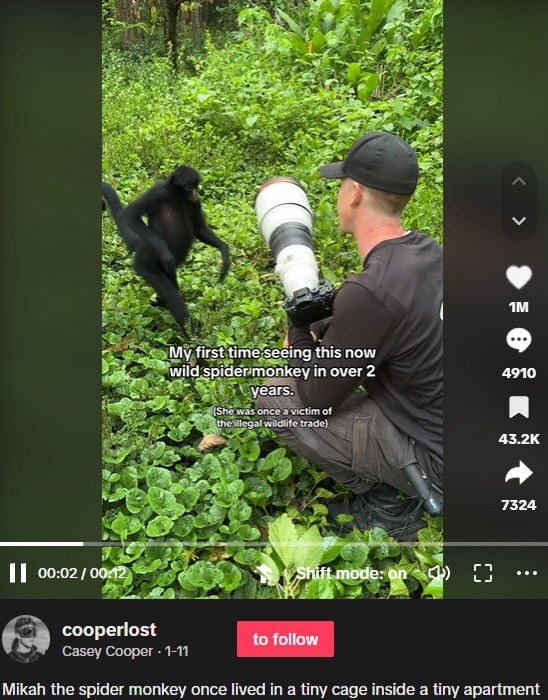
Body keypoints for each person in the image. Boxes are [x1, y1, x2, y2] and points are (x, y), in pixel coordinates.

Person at [254, 131, 443, 541]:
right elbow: (382, 317)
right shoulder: (428, 252)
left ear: (355, 193)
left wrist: (299, 328)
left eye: (340, 185)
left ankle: (393, 504)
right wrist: (324, 319)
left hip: (438, 461)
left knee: (278, 396)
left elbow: (314, 397)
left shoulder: (371, 292)